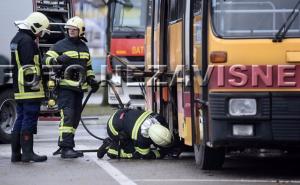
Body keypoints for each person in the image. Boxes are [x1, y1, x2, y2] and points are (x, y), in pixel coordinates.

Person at [44, 16, 99, 158]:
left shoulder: (84, 47)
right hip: (65, 88)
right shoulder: (61, 45)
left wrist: (92, 79)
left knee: (74, 118)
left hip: (79, 89)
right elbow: (46, 59)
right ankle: (66, 148)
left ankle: (63, 143)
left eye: (74, 30)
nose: (71, 32)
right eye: (69, 29)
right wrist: (57, 59)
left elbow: (88, 67)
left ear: (80, 31)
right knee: (68, 116)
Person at [10, 12, 50, 162]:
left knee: (20, 118)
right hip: (29, 89)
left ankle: (16, 154)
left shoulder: (17, 38)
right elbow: (29, 66)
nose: (40, 34)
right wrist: (40, 81)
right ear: (35, 26)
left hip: (20, 88)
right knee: (29, 118)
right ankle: (28, 153)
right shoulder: (27, 41)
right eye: (40, 31)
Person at [97, 109, 173, 159]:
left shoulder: (159, 118)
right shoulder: (141, 140)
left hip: (122, 113)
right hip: (113, 126)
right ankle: (111, 149)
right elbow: (146, 155)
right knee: (133, 153)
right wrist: (162, 153)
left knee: (131, 133)